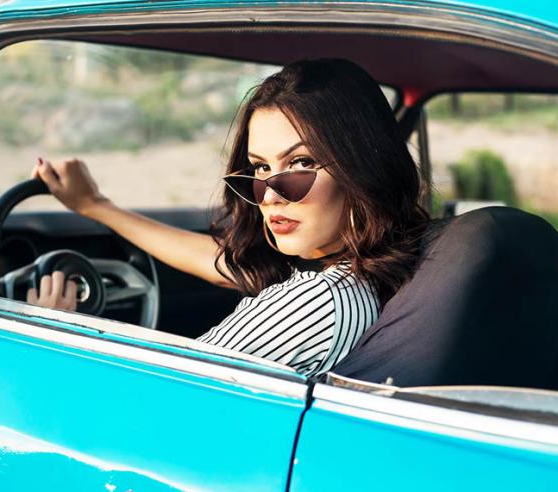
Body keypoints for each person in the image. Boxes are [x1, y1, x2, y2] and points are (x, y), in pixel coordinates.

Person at [27, 59, 429, 377]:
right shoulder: (373, 273)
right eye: (260, 168)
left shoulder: (315, 303)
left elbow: (150, 401)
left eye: (300, 163)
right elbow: (226, 264)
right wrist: (95, 205)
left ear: (362, 169)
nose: (269, 196)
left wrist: (54, 330)